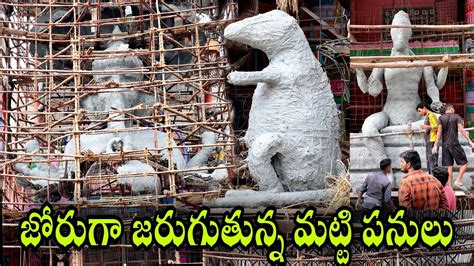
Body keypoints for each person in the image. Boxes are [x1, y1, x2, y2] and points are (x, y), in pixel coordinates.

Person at [433, 104, 474, 190]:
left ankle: (450, 188)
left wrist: (435, 145)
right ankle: (458, 180)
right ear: (451, 109)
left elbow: (439, 132)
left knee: (449, 166)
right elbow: (462, 130)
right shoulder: (456, 117)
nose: (454, 111)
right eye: (454, 109)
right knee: (464, 163)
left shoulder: (441, 118)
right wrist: (470, 141)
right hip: (454, 144)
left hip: (445, 146)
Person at [416, 102, 440, 173]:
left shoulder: (431, 115)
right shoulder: (428, 116)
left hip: (432, 140)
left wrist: (426, 127)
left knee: (432, 160)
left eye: (420, 111)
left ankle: (433, 178)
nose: (419, 113)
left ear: (424, 108)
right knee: (429, 160)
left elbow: (437, 127)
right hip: (429, 140)